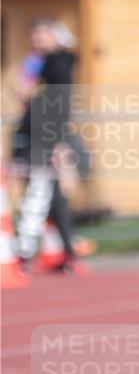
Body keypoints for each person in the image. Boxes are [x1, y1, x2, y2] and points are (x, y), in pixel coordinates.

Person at [11, 18, 80, 273]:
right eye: (35, 36)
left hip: (48, 136)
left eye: (43, 35)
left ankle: (27, 254)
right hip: (31, 133)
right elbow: (24, 93)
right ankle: (63, 252)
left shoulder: (60, 62)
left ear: (54, 36)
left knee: (42, 193)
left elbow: (61, 104)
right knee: (46, 194)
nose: (38, 40)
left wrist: (59, 141)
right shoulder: (36, 62)